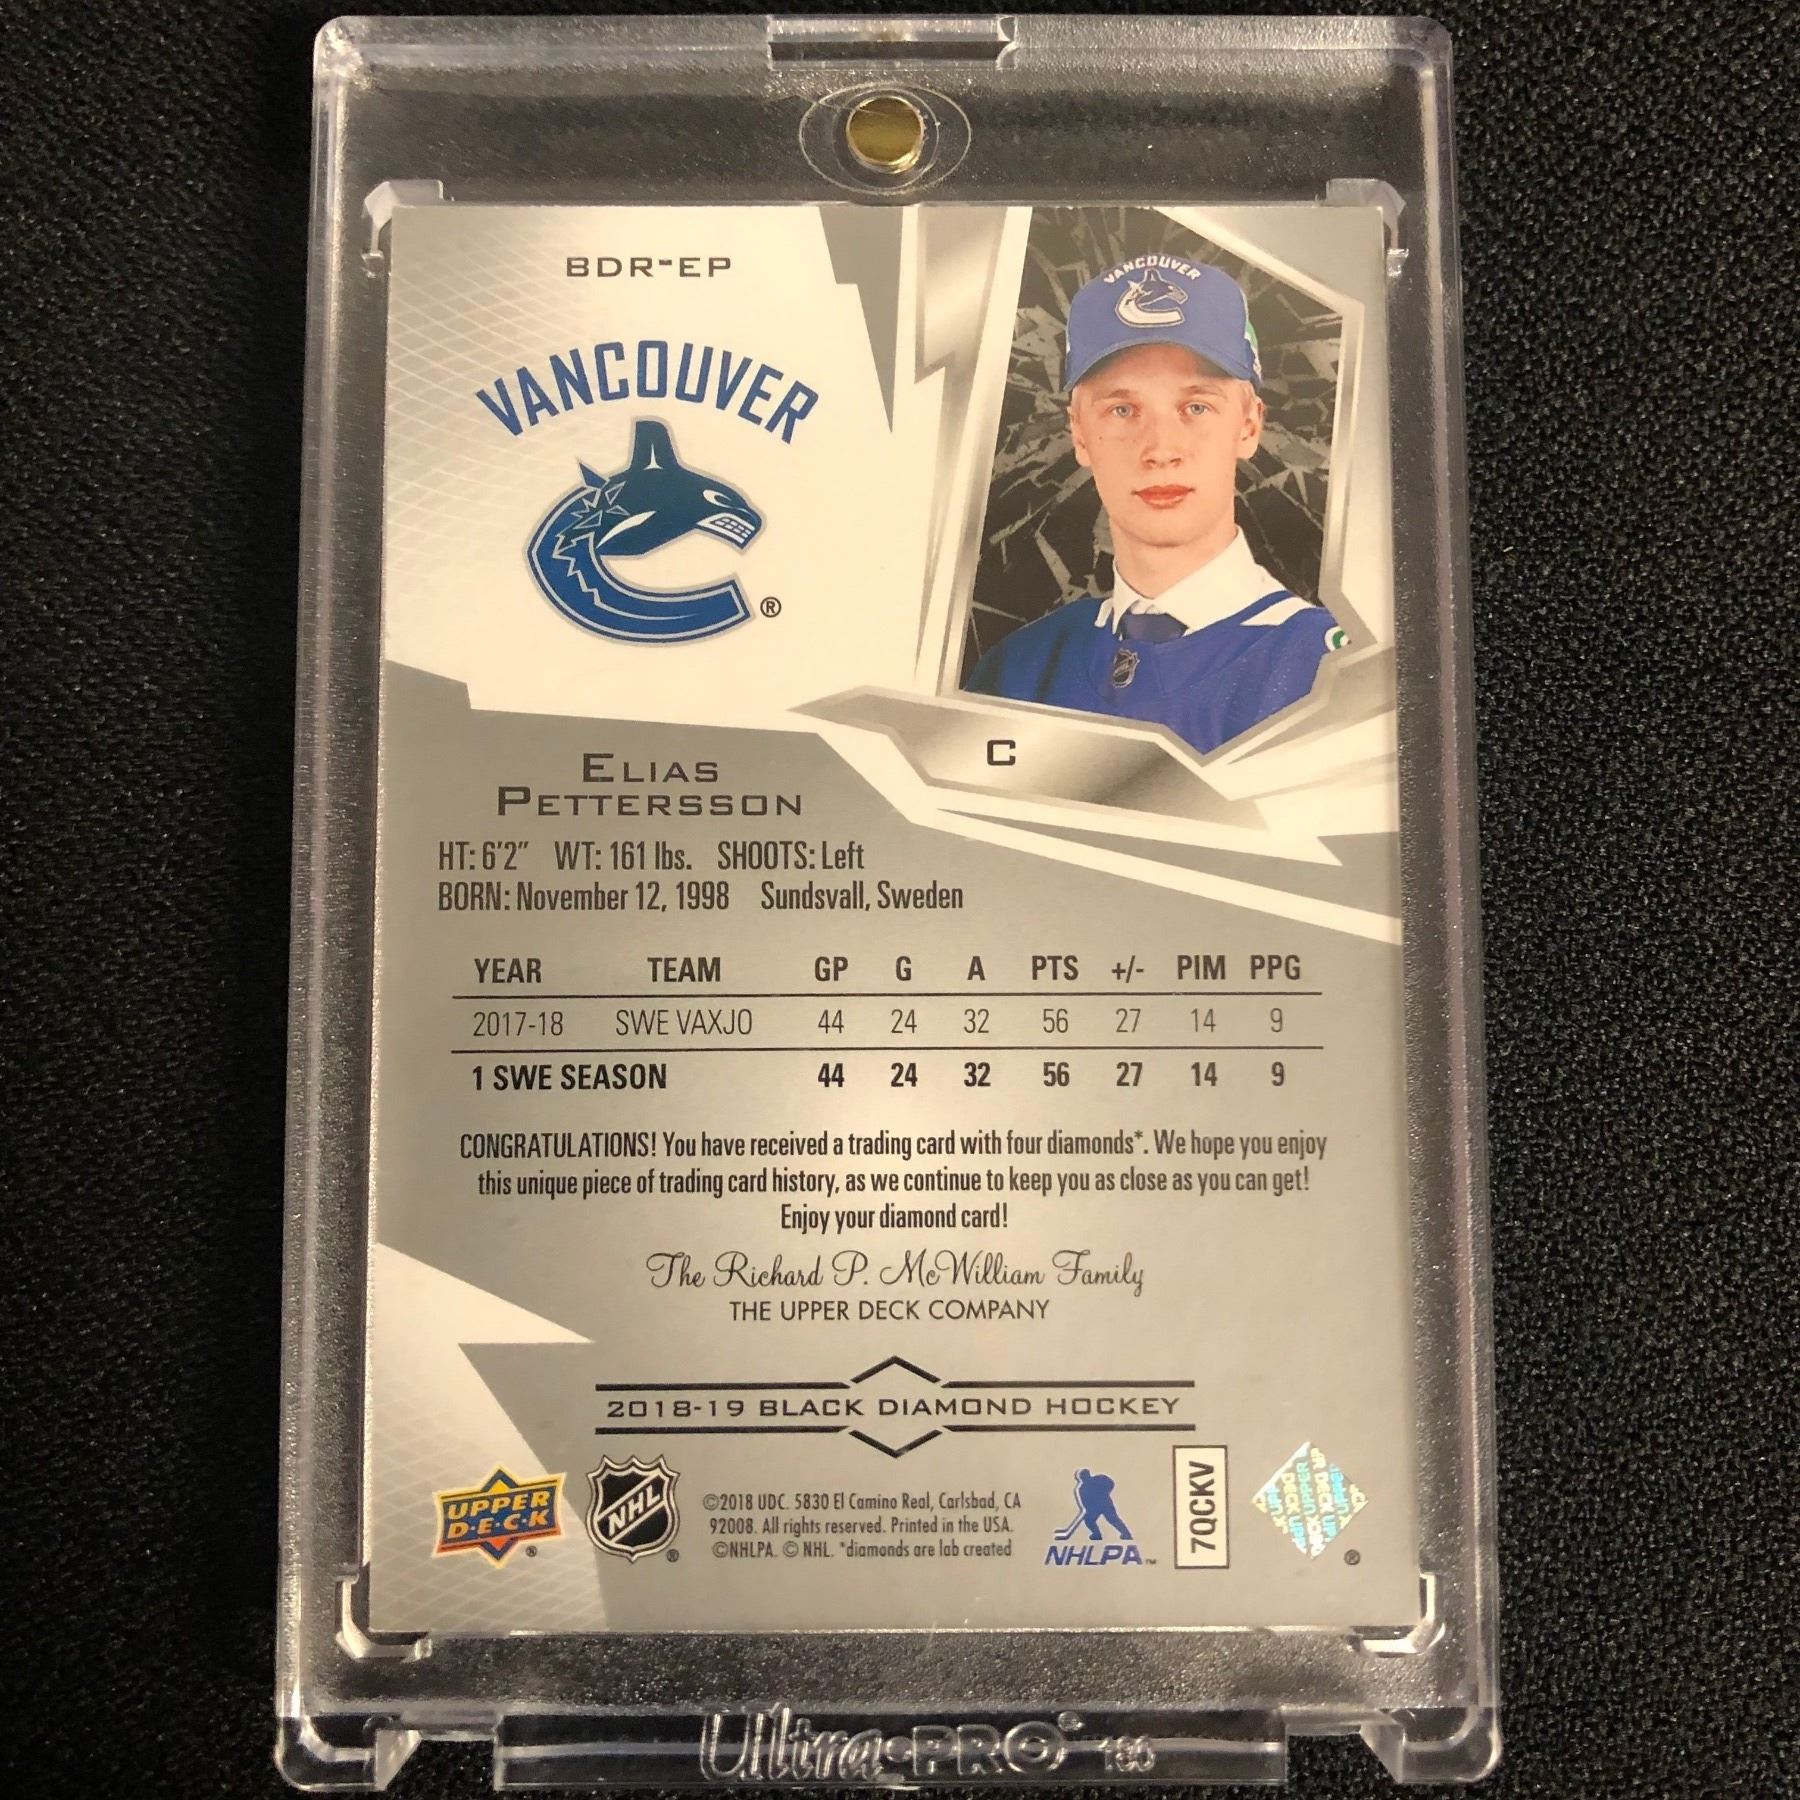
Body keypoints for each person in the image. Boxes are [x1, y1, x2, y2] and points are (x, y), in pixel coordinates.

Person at [966, 255, 1345, 754]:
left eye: (1196, 407)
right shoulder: (1015, 675)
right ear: (1079, 433)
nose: (1161, 449)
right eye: (1123, 409)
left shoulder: (1330, 677)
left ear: (1250, 425)